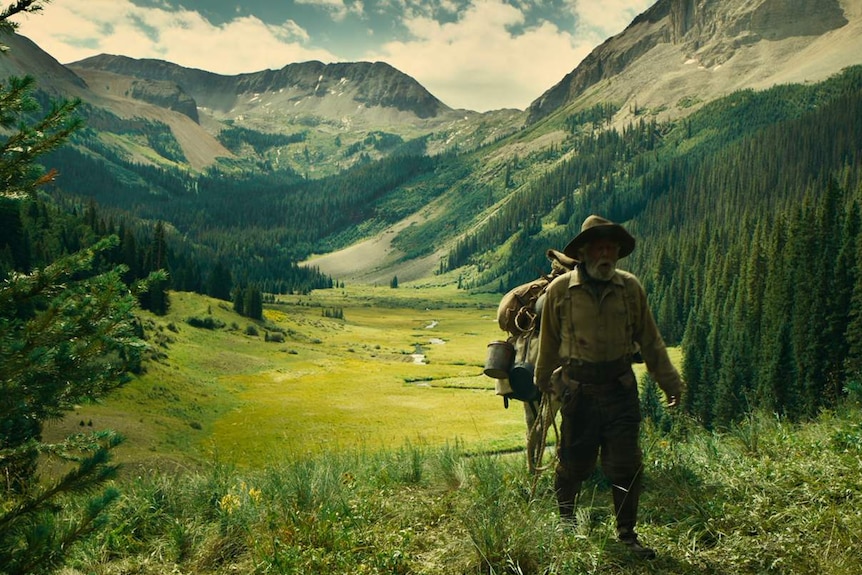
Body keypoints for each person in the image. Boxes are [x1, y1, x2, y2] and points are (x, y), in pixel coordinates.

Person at [534, 215, 682, 560]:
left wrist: (670, 383)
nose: (605, 253)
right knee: (572, 464)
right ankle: (567, 526)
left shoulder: (630, 288)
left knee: (627, 465)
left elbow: (651, 341)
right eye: (598, 246)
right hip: (579, 393)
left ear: (617, 251)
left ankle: (627, 535)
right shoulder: (560, 291)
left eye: (611, 247)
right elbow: (548, 343)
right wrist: (543, 383)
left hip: (620, 391)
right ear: (584, 252)